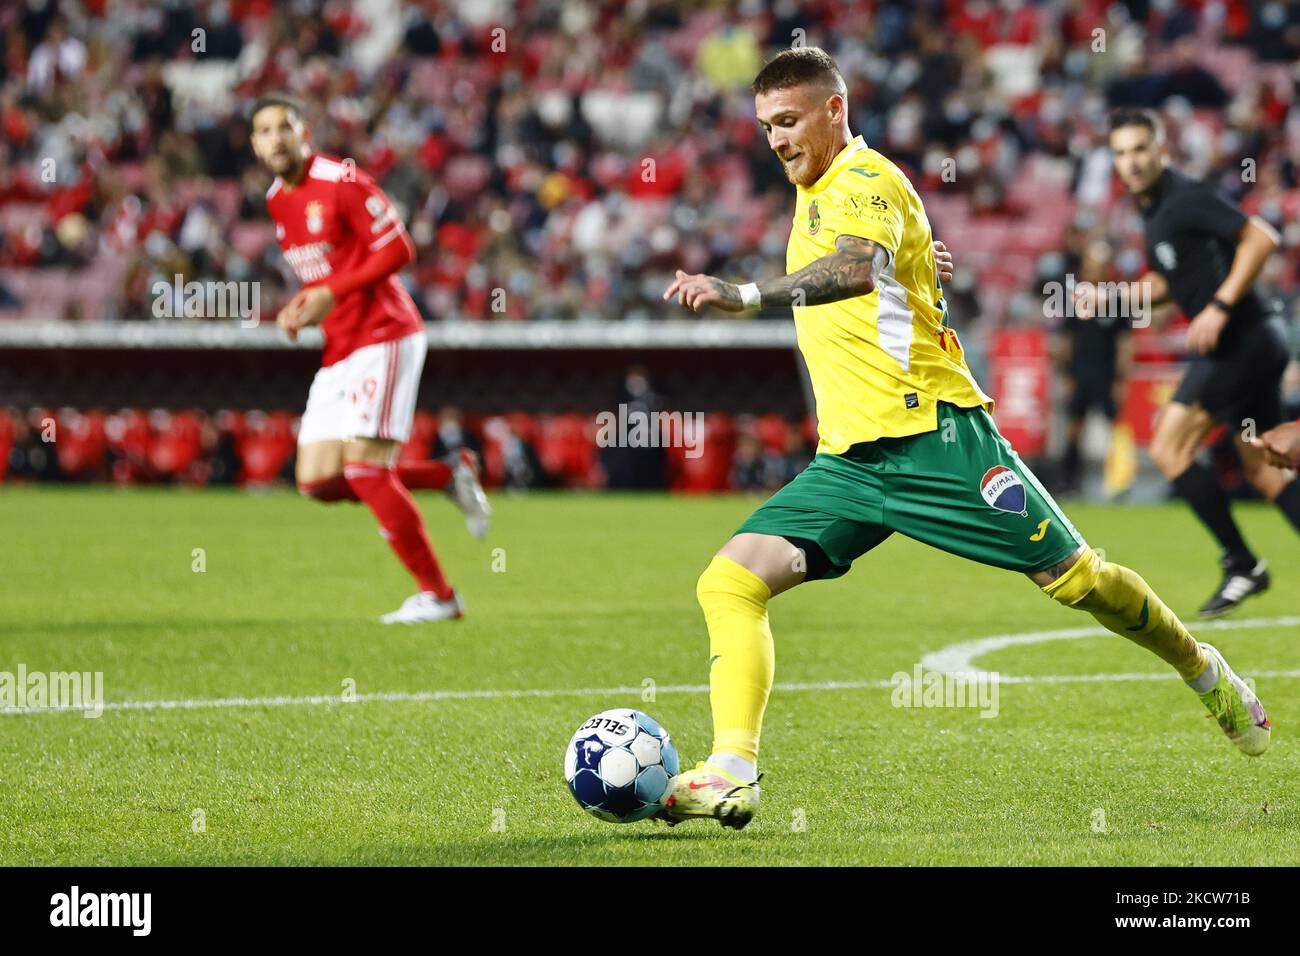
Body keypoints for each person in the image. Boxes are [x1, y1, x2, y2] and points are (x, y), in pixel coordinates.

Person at [657, 49, 1271, 830]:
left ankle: (1203, 668)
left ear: (834, 111)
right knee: (729, 583)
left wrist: (743, 293)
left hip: (936, 440)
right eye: (766, 127)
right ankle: (733, 771)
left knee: (1078, 580)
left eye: (788, 121)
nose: (776, 140)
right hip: (851, 461)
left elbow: (853, 269)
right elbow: (891, 268)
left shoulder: (864, 179)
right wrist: (919, 266)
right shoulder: (817, 192)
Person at [249, 94, 490, 624]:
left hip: (386, 334)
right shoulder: (275, 199)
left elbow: (400, 249)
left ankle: (440, 596)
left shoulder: (342, 180)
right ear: (254, 144)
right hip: (340, 345)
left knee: (363, 468)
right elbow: (322, 276)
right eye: (264, 131)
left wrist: (330, 292)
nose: (276, 139)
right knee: (316, 481)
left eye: (284, 127)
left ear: (304, 130)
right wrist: (304, 306)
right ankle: (445, 475)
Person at [1109, 107, 1300, 617]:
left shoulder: (1186, 197)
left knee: (1170, 449)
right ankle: (1243, 565)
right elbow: (1171, 285)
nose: (1131, 162)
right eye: (1121, 153)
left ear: (1161, 150)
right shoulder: (1153, 213)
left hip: (1241, 340)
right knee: (1265, 467)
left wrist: (1218, 307)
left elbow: (1261, 237)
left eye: (1140, 150)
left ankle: (1242, 564)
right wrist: (1114, 299)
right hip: (1255, 341)